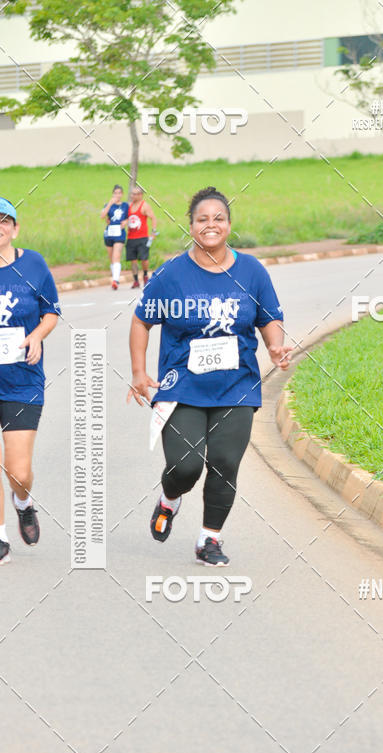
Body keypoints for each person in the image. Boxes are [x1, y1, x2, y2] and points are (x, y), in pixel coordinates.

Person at [127, 186, 292, 565]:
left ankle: (209, 540)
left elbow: (269, 318)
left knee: (225, 463)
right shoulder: (171, 274)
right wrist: (139, 371)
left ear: (229, 225)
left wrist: (275, 346)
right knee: (185, 467)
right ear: (191, 226)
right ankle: (169, 498)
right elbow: (141, 321)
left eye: (218, 218)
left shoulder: (251, 271)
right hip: (182, 386)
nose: (211, 225)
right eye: (202, 219)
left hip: (237, 386)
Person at [0, 198, 61, 565]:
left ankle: (23, 501)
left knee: (18, 471)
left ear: (15, 228)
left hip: (22, 381)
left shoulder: (33, 264)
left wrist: (37, 335)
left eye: (4, 221)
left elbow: (50, 311)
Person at [125, 185, 157, 289]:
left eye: (135, 194)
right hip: (131, 237)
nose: (133, 196)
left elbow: (153, 218)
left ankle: (145, 275)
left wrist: (153, 232)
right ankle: (135, 280)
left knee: (144, 258)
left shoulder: (144, 206)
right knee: (133, 260)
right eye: (132, 194)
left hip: (143, 237)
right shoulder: (129, 206)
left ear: (140, 195)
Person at [101, 185, 128, 290]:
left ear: (122, 194)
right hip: (109, 232)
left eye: (119, 193)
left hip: (119, 233)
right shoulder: (108, 205)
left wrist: (126, 221)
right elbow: (102, 216)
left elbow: (129, 216)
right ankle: (114, 276)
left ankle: (115, 280)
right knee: (111, 257)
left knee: (116, 256)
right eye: (115, 193)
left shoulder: (125, 205)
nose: (117, 195)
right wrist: (110, 203)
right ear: (113, 194)